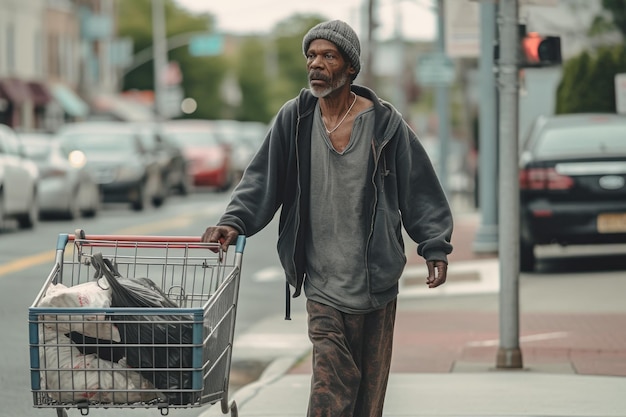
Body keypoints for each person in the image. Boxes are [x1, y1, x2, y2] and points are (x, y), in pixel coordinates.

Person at [201, 19, 453, 417]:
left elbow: (419, 188)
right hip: (322, 284)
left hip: (377, 281)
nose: (316, 64)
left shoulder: (386, 125)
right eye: (312, 56)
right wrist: (234, 221)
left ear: (350, 67)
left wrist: (435, 245)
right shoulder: (295, 119)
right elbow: (261, 177)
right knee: (331, 387)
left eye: (328, 56)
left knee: (368, 400)